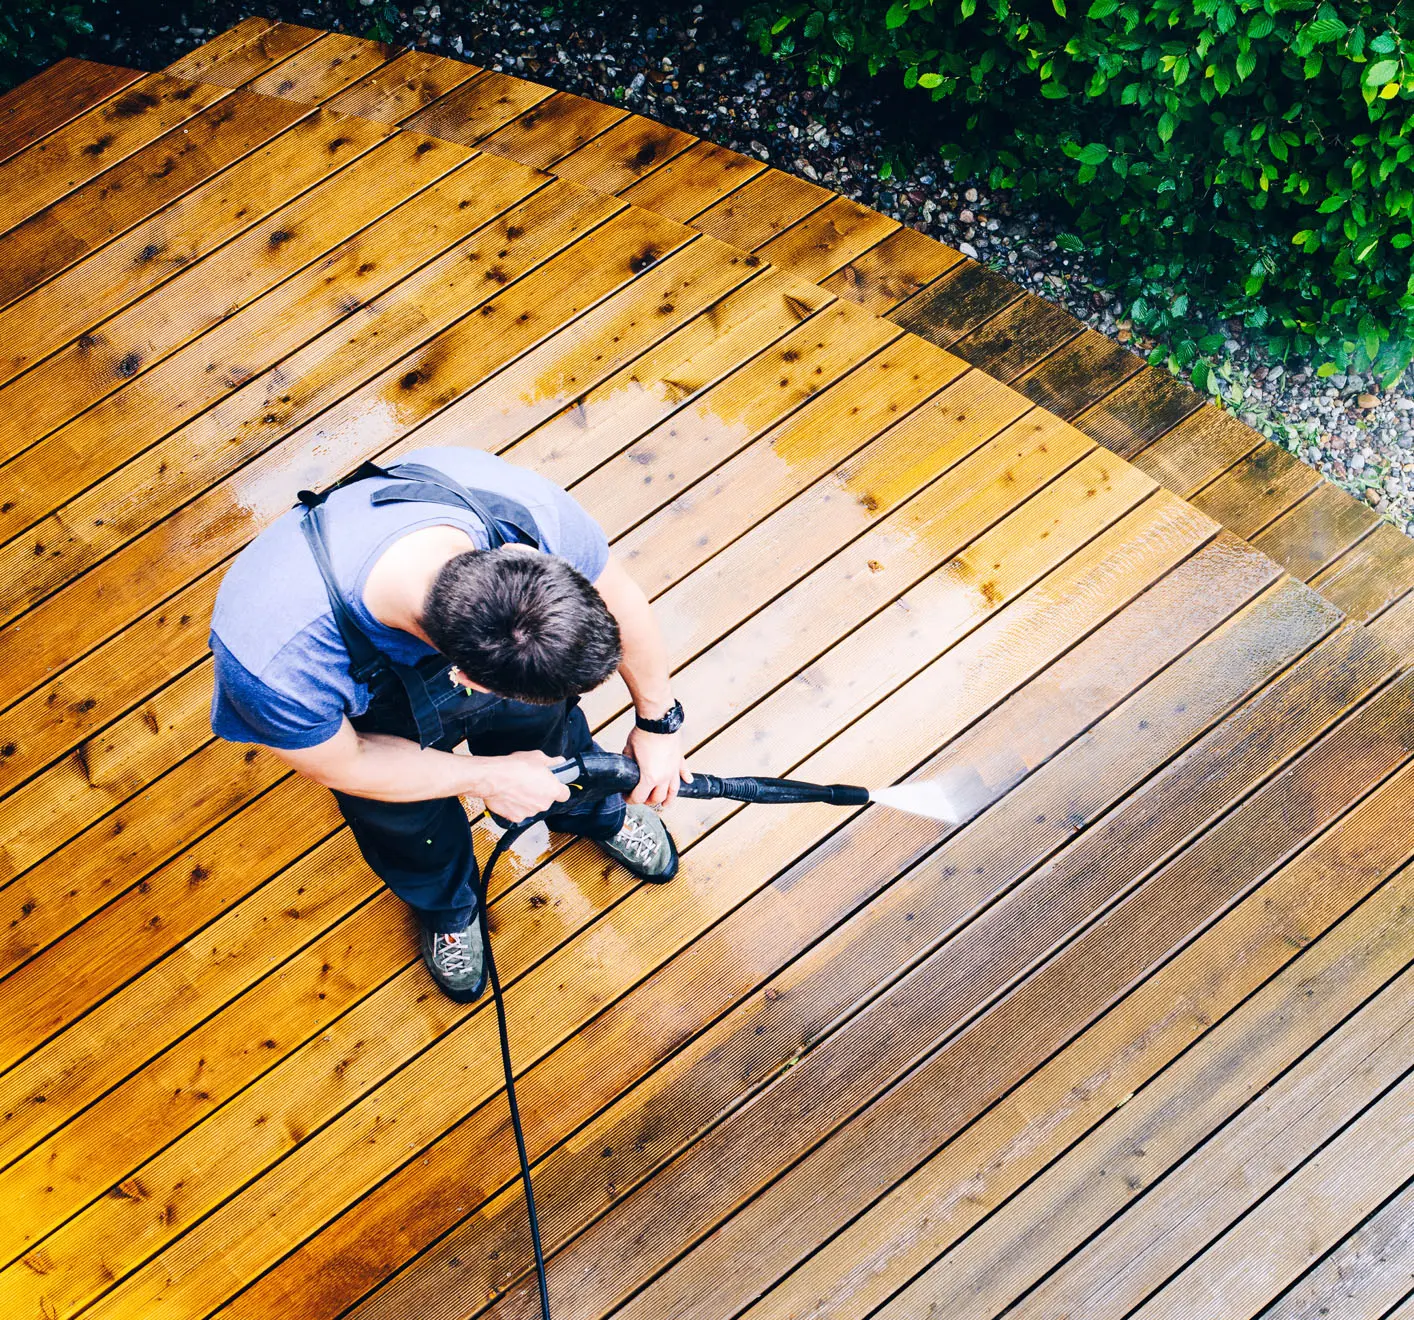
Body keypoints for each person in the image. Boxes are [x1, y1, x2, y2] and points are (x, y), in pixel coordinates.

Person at [208, 446, 689, 1002]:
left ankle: (591, 810)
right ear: (468, 679)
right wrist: (486, 778)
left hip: (478, 668)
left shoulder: (522, 513)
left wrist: (659, 722)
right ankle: (448, 904)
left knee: (553, 737)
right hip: (370, 731)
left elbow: (618, 596)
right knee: (406, 821)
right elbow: (348, 763)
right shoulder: (275, 658)